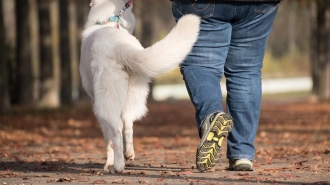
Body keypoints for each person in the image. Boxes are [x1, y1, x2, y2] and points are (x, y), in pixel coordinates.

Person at [171, 0, 280, 172]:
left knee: (201, 65)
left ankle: (211, 115)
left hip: (202, 4)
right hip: (259, 5)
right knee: (246, 71)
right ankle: (242, 154)